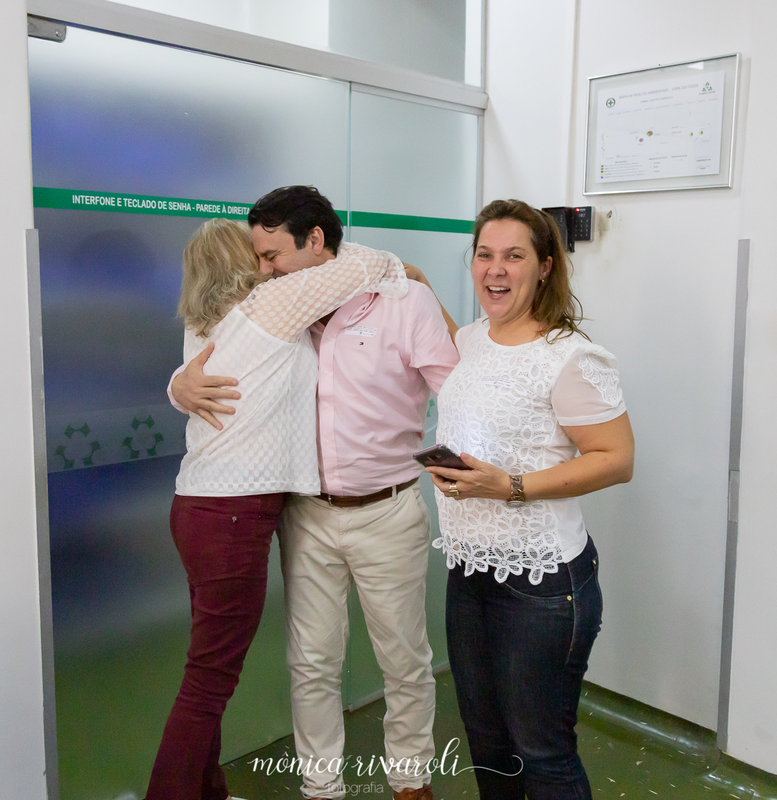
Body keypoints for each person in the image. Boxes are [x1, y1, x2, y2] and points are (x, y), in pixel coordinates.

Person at [171, 186, 459, 800]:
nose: (263, 269)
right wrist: (178, 386)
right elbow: (212, 356)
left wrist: (470, 472)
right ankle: (320, 788)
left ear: (316, 242)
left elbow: (458, 389)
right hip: (304, 515)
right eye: (258, 257)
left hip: (386, 509)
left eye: (272, 255)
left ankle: (410, 783)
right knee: (311, 664)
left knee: (404, 661)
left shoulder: (401, 302)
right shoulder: (281, 308)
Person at [422, 199, 635, 800]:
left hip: (542, 585)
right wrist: (409, 285)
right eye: (484, 255)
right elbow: (463, 361)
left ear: (545, 266)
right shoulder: (469, 341)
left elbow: (617, 458)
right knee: (488, 746)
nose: (496, 268)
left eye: (514, 256)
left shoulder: (570, 356)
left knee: (541, 752)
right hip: (470, 572)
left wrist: (509, 485)